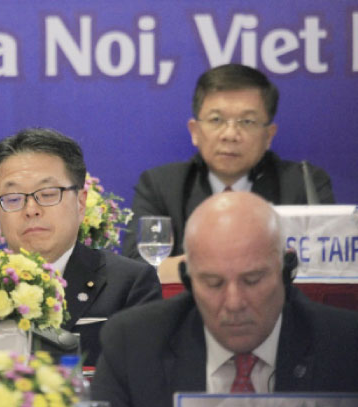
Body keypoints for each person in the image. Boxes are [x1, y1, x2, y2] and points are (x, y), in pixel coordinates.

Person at [92, 191, 358, 407]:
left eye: (252, 280)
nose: (234, 302)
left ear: (286, 270)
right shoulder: (134, 344)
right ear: (188, 280)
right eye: (213, 283)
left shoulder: (345, 346)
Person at [0, 128, 162, 366]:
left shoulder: (129, 283)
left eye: (48, 194)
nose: (31, 210)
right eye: (13, 198)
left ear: (81, 203)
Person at [122, 64, 334, 280]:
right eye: (216, 120)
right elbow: (136, 267)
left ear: (269, 136)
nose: (231, 134)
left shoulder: (303, 185)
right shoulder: (162, 186)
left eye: (247, 121)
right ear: (195, 131)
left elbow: (329, 265)